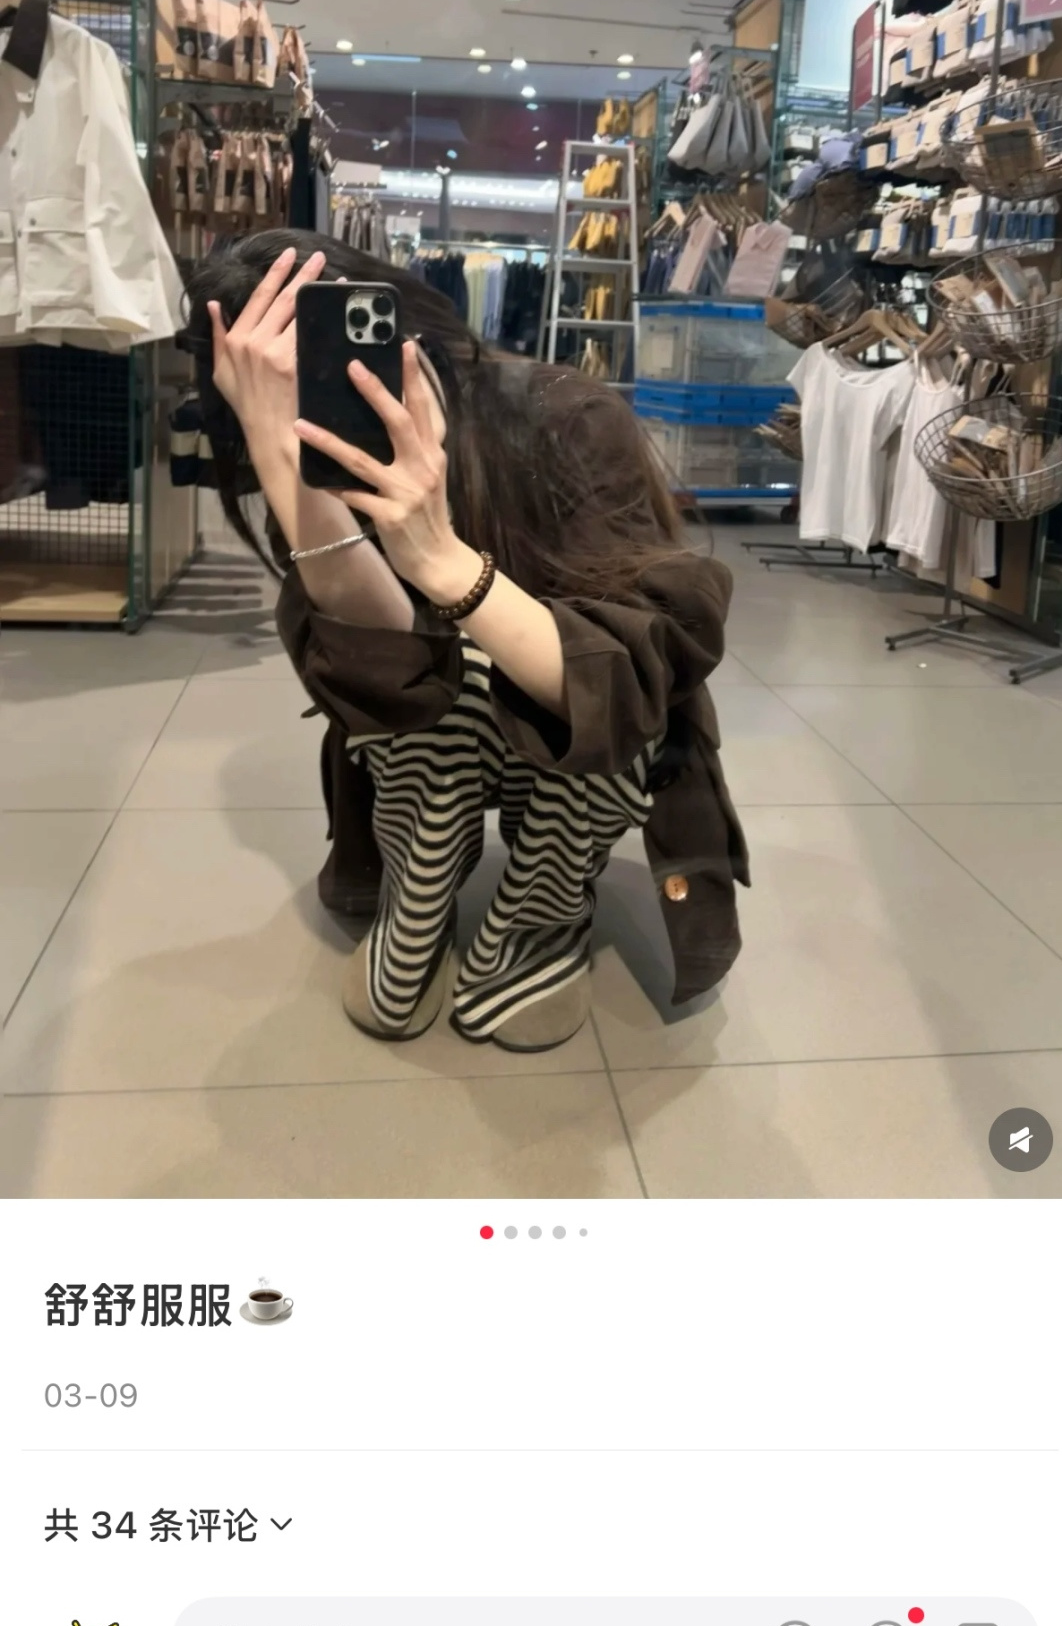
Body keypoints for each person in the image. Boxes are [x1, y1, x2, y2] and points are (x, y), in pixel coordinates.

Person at [183, 231, 749, 1052]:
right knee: (412, 677)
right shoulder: (310, 460)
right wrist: (283, 458)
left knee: (562, 669)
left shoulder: (565, 417)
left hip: (582, 738)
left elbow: (628, 681)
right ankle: (419, 894)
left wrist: (442, 560)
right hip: (436, 738)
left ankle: (540, 920)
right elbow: (379, 676)